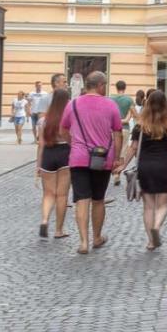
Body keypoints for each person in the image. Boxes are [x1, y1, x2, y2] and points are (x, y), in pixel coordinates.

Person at [59, 71, 124, 254]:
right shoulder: (110, 105)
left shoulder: (73, 104)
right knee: (98, 199)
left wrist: (75, 145)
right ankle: (97, 237)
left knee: (81, 199)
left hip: (78, 158)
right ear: (101, 85)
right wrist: (117, 157)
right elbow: (118, 133)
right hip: (102, 159)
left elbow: (63, 130)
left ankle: (83, 242)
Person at [120, 89, 167, 250]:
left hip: (145, 167)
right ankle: (157, 226)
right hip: (163, 167)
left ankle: (150, 241)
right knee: (163, 205)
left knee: (148, 206)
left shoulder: (140, 126)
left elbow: (133, 149)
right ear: (165, 106)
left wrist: (122, 166)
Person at [35, 88, 72, 240]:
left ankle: (44, 221)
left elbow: (41, 144)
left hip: (48, 155)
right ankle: (59, 230)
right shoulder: (68, 119)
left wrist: (38, 165)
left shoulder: (43, 121)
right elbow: (71, 138)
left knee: (48, 194)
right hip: (65, 153)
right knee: (62, 195)